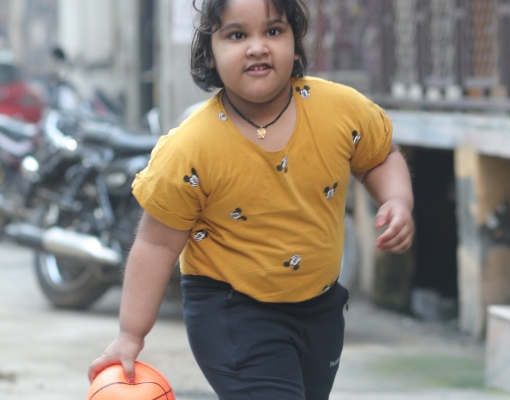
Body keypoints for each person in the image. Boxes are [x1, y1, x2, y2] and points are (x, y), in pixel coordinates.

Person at [88, 0, 414, 398]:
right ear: (210, 52)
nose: (257, 47)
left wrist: (396, 199)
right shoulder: (192, 146)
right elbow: (155, 244)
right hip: (231, 308)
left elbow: (380, 156)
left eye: (273, 31)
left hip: (320, 307)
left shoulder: (340, 110)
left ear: (295, 45)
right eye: (237, 35)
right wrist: (130, 334)